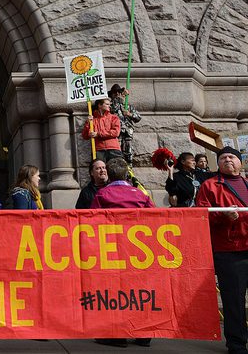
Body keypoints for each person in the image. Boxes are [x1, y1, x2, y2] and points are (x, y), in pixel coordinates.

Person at [90, 157, 154, 348]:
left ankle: (117, 335)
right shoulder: (141, 195)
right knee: (139, 291)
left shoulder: (102, 195)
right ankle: (143, 334)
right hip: (139, 253)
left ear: (108, 174)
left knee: (115, 292)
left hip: (112, 251)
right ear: (127, 174)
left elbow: (92, 223)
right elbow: (155, 218)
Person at [196, 146, 248, 354]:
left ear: (240, 163)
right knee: (234, 300)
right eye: (223, 158)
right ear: (218, 164)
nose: (228, 160)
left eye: (232, 157)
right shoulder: (209, 186)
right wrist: (222, 216)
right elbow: (201, 214)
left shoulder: (246, 183)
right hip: (229, 250)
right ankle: (237, 344)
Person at [81, 98, 122, 163]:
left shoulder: (114, 117)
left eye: (109, 104)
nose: (109, 106)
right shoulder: (92, 120)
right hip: (98, 150)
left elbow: (116, 132)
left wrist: (98, 134)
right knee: (99, 170)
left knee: (116, 170)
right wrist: (87, 123)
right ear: (100, 105)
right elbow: (85, 136)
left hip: (113, 148)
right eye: (107, 104)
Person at [109, 84, 141, 165]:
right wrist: (120, 98)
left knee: (128, 155)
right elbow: (113, 110)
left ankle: (129, 172)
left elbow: (138, 117)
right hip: (116, 135)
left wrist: (129, 114)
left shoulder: (128, 107)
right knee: (117, 155)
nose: (117, 94)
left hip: (127, 134)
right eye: (114, 93)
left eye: (119, 92)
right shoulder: (110, 106)